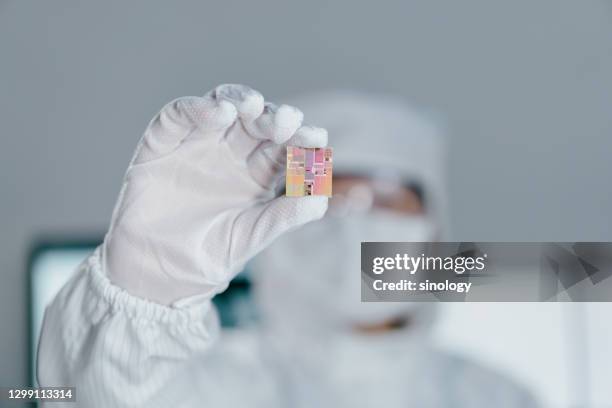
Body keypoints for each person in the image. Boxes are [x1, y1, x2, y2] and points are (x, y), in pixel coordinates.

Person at [37, 84, 537, 407]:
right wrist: (143, 296)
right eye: (330, 198)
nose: (353, 228)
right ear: (280, 219)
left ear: (435, 228)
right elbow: (80, 396)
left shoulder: (497, 397)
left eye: (386, 200)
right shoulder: (209, 388)